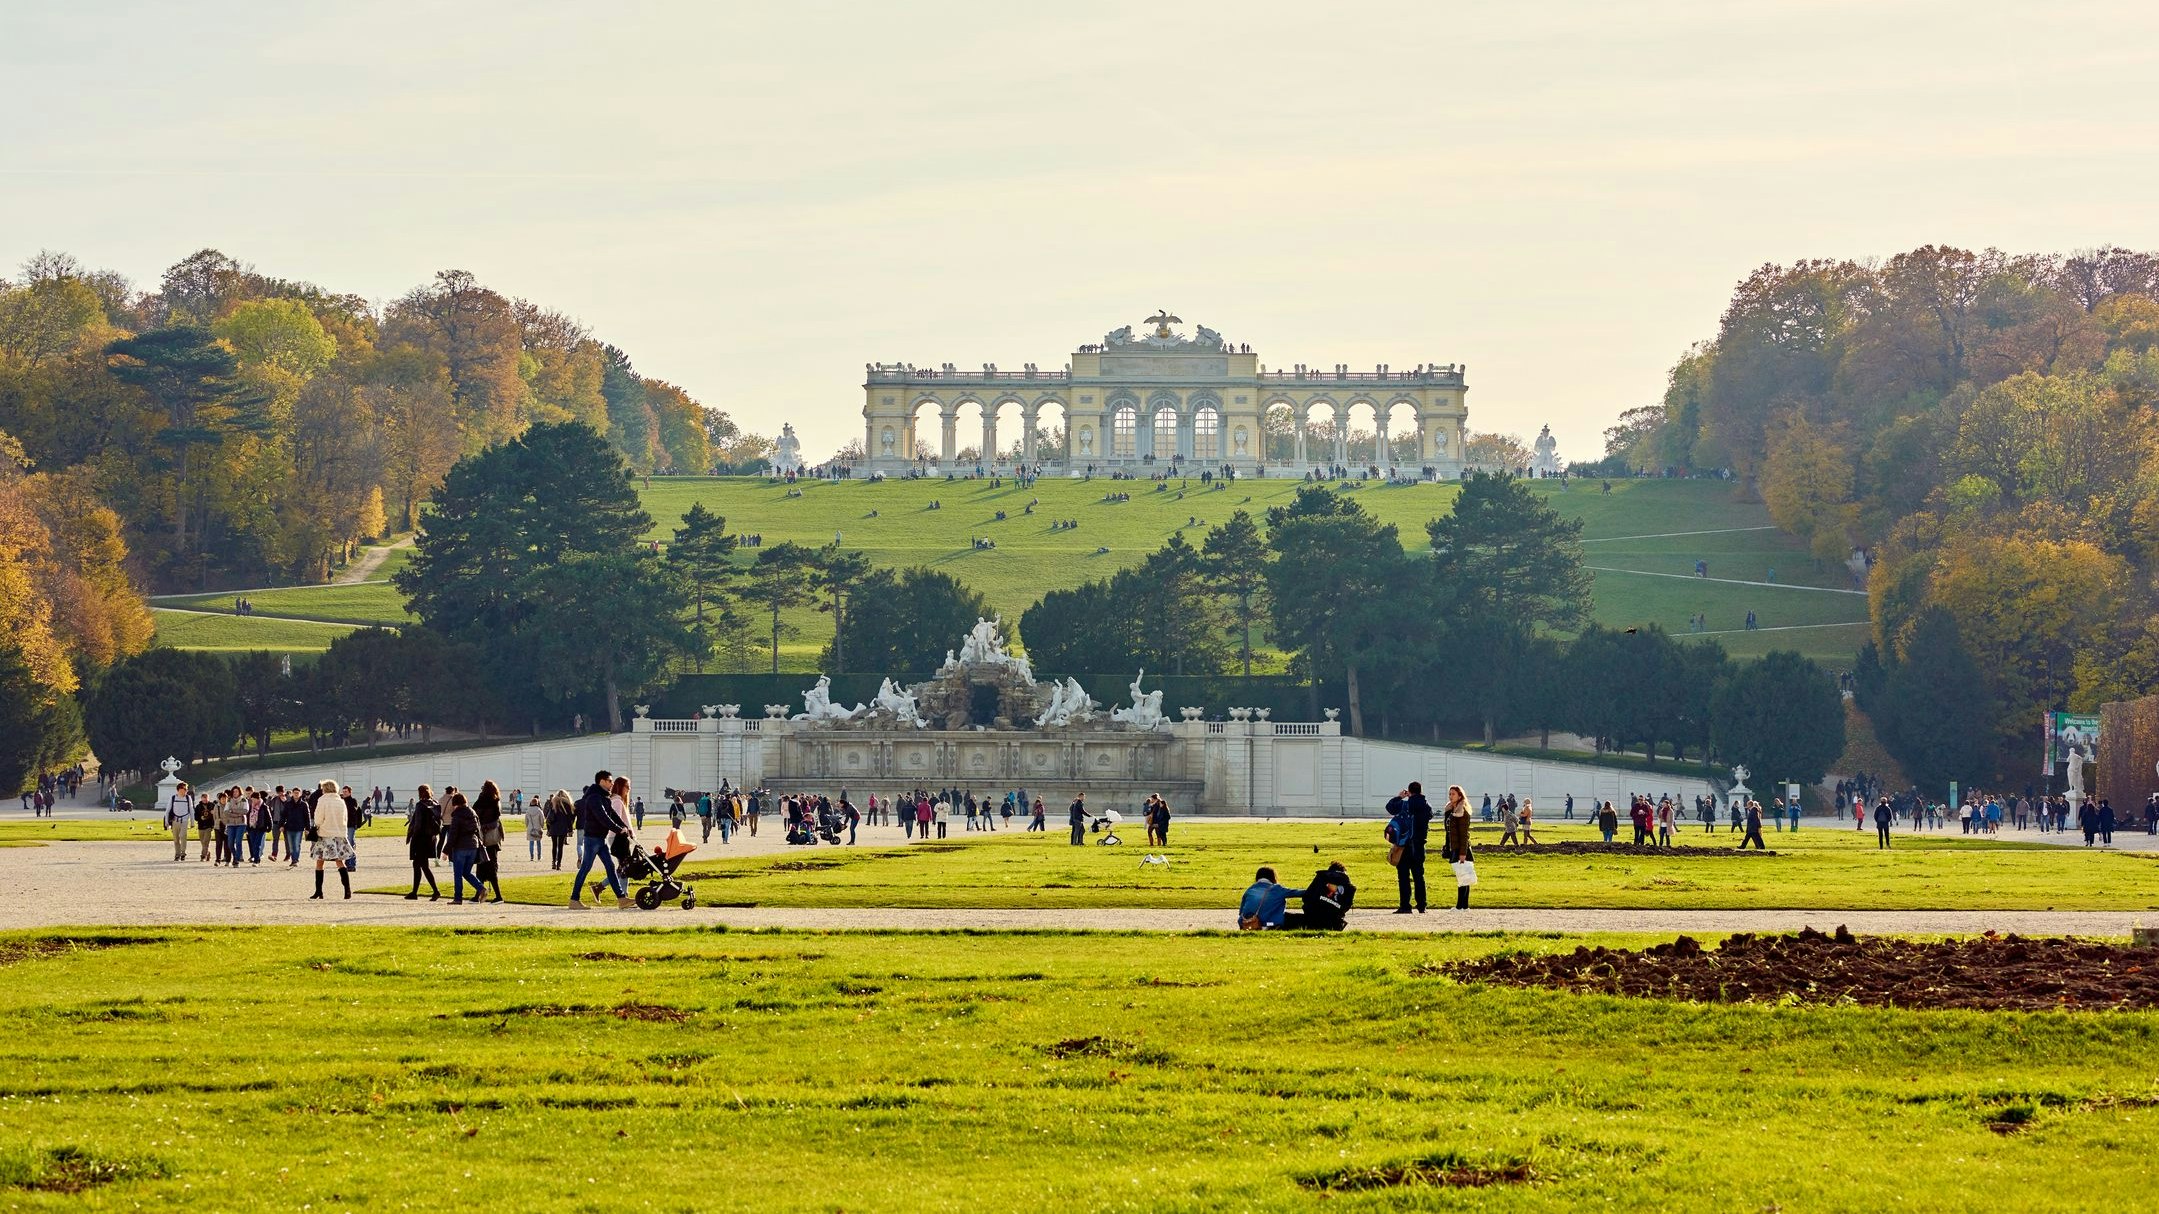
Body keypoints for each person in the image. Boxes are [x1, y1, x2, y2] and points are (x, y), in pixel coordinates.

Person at [570, 769, 632, 910]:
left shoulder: (604, 797)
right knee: (585, 868)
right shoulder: (593, 797)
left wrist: (624, 826)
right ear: (602, 781)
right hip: (592, 839)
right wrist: (618, 829)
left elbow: (612, 815)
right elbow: (603, 817)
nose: (612, 783)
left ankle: (622, 899)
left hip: (601, 839)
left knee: (610, 867)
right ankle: (574, 900)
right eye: (610, 781)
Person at [1386, 785, 1432, 914]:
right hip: (1419, 845)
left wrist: (1400, 797)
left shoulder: (1404, 805)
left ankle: (1405, 905)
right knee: (1419, 877)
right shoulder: (1426, 806)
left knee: (1404, 877)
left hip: (1404, 846)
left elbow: (1390, 807)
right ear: (1420, 791)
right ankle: (1422, 905)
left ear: (1409, 791)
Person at [308, 779, 355, 900]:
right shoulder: (341, 801)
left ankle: (319, 891)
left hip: (325, 833)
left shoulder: (323, 800)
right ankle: (347, 890)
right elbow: (345, 818)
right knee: (340, 861)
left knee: (320, 861)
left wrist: (317, 827)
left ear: (325, 789)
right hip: (339, 833)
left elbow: (318, 818)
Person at [443, 791, 485, 904]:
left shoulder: (457, 815)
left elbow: (453, 834)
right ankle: (480, 888)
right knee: (466, 872)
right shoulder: (473, 812)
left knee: (458, 874)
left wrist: (445, 851)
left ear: (455, 804)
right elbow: (478, 830)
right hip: (473, 846)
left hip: (461, 847)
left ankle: (458, 898)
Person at [1440, 785, 1475, 910]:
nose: (1450, 796)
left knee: (1463, 878)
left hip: (1461, 848)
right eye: (1449, 794)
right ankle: (1464, 906)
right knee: (1462, 877)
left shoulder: (1462, 812)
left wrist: (1462, 853)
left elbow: (1464, 835)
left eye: (1453, 794)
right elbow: (1448, 831)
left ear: (1460, 796)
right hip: (1453, 847)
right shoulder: (1451, 811)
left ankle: (1461, 906)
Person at [404, 786, 442, 899]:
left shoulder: (420, 805)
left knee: (422, 866)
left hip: (420, 839)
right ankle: (415, 892)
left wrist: (412, 837)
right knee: (419, 865)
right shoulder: (435, 804)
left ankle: (434, 891)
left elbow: (418, 825)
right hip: (430, 838)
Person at [474, 780, 507, 903]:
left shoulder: (481, 801)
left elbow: (475, 813)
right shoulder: (495, 801)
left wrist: (482, 827)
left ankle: (497, 895)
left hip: (484, 836)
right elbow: (496, 818)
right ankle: (482, 893)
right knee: (487, 866)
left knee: (484, 866)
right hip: (491, 838)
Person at [163, 781, 195, 862]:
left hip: (184, 820)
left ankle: (183, 853)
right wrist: (166, 821)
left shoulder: (188, 798)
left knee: (183, 836)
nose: (186, 790)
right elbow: (168, 810)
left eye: (186, 789)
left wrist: (192, 821)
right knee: (176, 839)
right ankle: (177, 854)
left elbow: (191, 810)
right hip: (175, 821)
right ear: (179, 789)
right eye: (184, 789)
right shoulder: (173, 797)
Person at [544, 790, 575, 869]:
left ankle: (553, 862)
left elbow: (549, 817)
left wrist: (548, 828)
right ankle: (559, 864)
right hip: (563, 827)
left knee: (554, 845)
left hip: (553, 827)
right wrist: (570, 829)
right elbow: (569, 819)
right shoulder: (567, 804)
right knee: (560, 846)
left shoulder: (553, 803)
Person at [524, 792, 546, 862]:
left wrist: (528, 827)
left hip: (530, 828)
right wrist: (542, 826)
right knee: (539, 843)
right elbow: (542, 820)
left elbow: (526, 821)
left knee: (531, 843)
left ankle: (531, 856)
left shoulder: (528, 810)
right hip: (538, 827)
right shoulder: (539, 811)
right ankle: (539, 856)